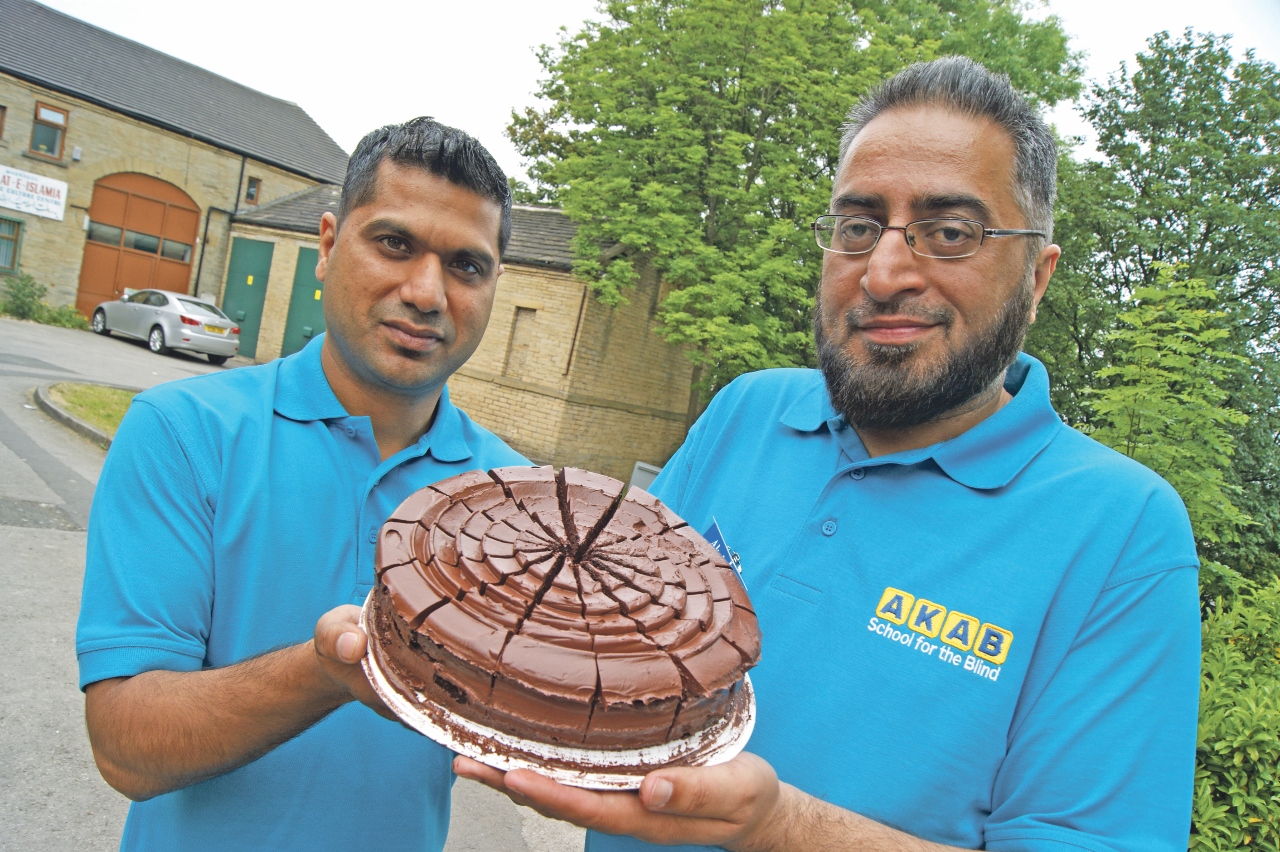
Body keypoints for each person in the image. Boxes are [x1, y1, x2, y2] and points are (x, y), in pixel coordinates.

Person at [456, 56, 1201, 851]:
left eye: (949, 233)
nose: (882, 273)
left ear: (1037, 275)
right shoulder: (749, 409)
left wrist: (776, 827)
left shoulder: (1123, 530)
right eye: (858, 226)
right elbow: (601, 618)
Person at [76, 118, 527, 850]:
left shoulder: (514, 497)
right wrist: (331, 669)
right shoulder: (185, 432)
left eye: (466, 266)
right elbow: (126, 745)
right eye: (394, 244)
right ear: (325, 244)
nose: (425, 292)